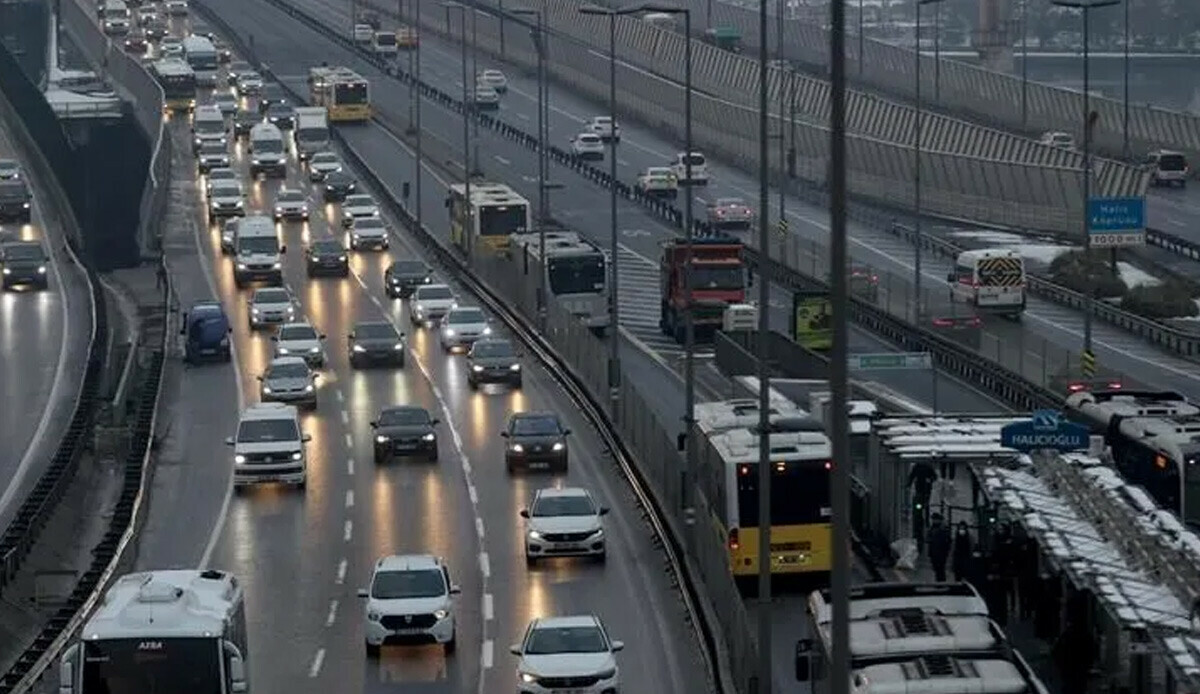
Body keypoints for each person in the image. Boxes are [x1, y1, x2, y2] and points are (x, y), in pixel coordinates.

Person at [926, 513, 951, 582]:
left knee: (940, 568)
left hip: (941, 552)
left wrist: (946, 551)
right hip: (934, 552)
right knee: (936, 568)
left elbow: (947, 541)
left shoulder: (943, 529)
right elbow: (928, 539)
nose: (934, 521)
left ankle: (941, 582)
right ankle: (939, 581)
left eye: (935, 519)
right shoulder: (932, 528)